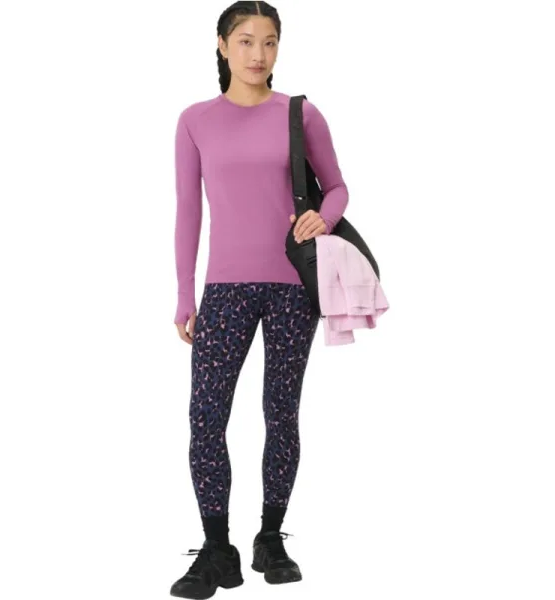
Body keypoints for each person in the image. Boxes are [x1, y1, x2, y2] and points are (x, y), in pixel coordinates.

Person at [170, 2, 349, 597]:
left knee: (280, 413)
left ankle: (270, 537)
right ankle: (216, 548)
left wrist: (323, 218)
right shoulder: (195, 120)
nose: (258, 54)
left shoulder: (301, 114)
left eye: (269, 42)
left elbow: (337, 187)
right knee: (205, 417)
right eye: (245, 41)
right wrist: (184, 293)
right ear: (222, 45)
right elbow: (188, 212)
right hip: (223, 290)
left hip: (293, 287)